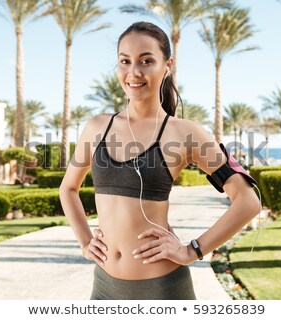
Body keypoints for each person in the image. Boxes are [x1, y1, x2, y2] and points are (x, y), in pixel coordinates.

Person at [59, 21, 260, 300]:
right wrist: (84, 241)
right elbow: (68, 189)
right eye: (125, 61)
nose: (134, 72)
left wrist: (192, 250)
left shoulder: (185, 133)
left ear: (167, 66)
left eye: (146, 61)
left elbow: (248, 201)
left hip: (161, 290)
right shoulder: (97, 127)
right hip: (104, 288)